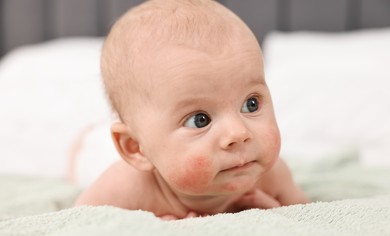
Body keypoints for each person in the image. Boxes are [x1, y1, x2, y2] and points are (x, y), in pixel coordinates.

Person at [75, 0, 309, 220]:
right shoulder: (123, 189)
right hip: (99, 154)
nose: (239, 133)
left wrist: (277, 215)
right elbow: (80, 227)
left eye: (251, 104)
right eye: (200, 120)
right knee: (86, 150)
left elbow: (308, 221)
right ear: (136, 148)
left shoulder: (273, 176)